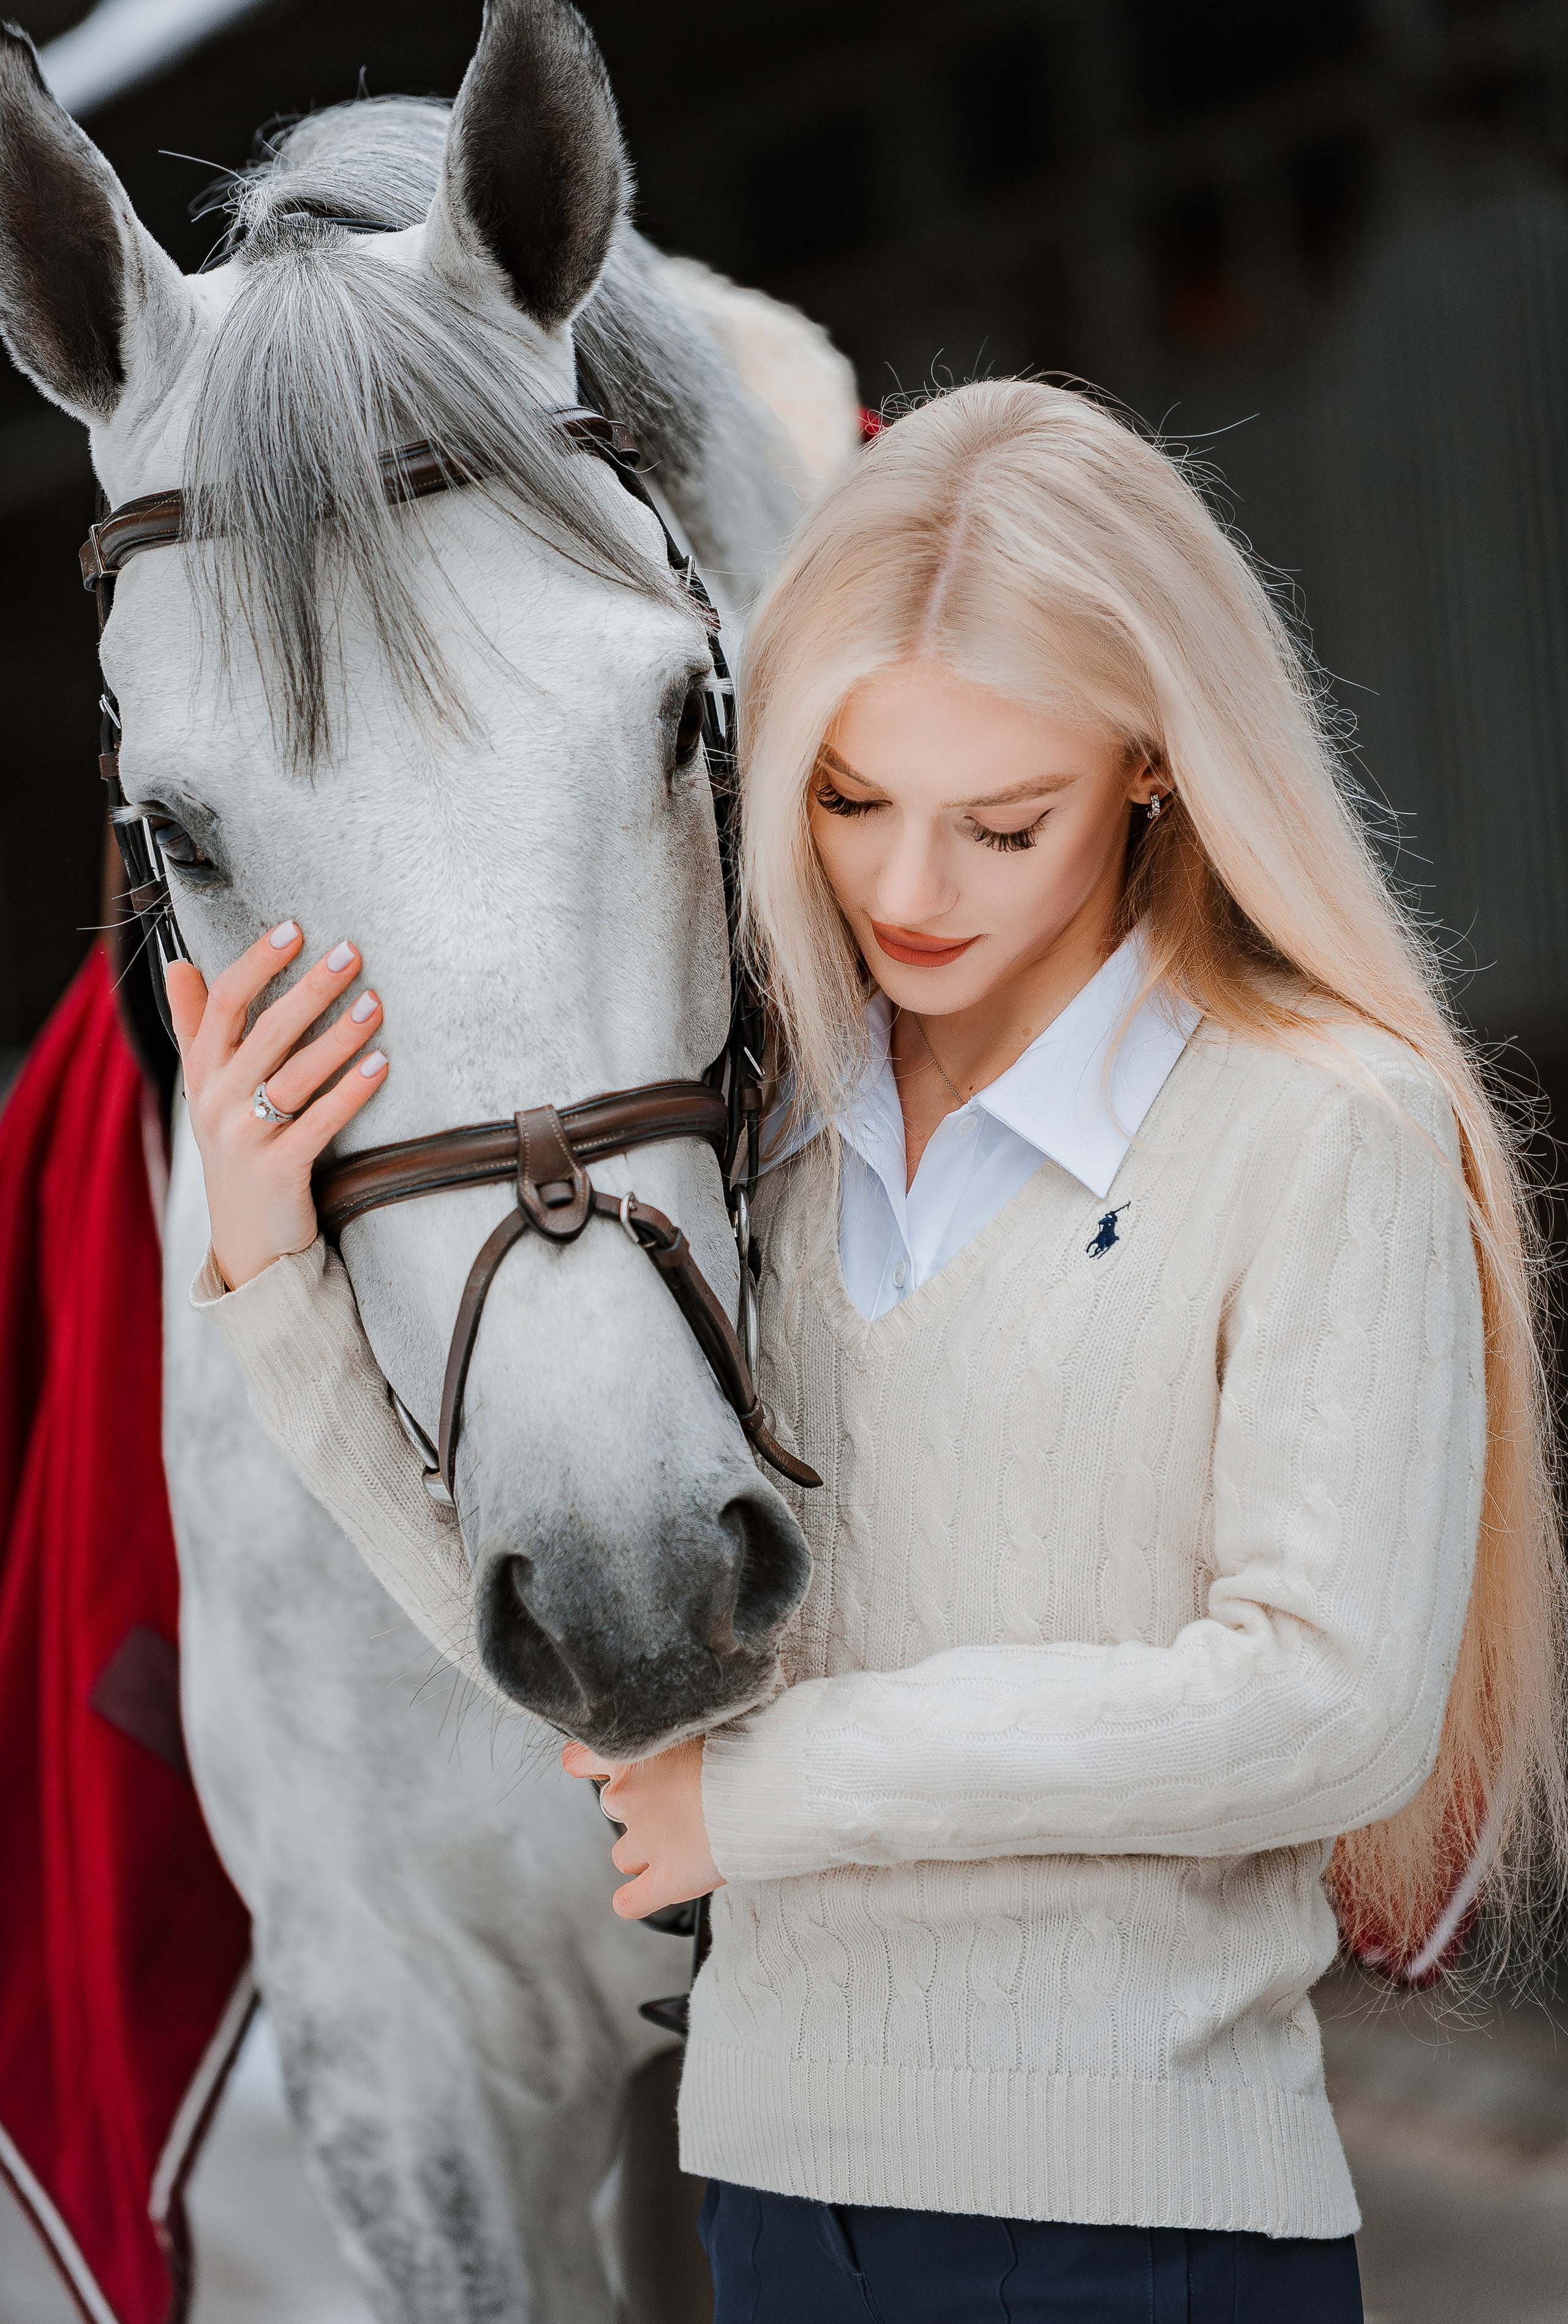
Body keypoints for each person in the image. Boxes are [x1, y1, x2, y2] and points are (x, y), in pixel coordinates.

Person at [172, 381, 1566, 2322]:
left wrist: (771, 1800)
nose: (908, 895)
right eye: (847, 801)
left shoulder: (1329, 1128)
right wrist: (275, 1282)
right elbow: (564, 1627)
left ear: (1156, 767)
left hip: (1142, 2236)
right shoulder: (766, 1157)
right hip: (773, 2213)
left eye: (1005, 823)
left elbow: (1324, 1709)